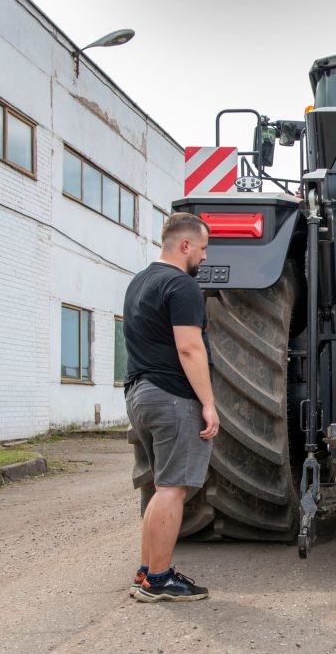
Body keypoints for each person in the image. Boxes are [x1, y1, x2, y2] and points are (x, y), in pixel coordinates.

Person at [123, 212, 218, 602]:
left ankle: (147, 572)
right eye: (202, 248)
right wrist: (209, 404)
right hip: (172, 397)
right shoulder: (181, 285)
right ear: (184, 245)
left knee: (161, 487)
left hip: (139, 395)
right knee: (172, 490)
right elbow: (189, 347)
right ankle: (159, 580)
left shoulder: (139, 282)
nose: (205, 257)